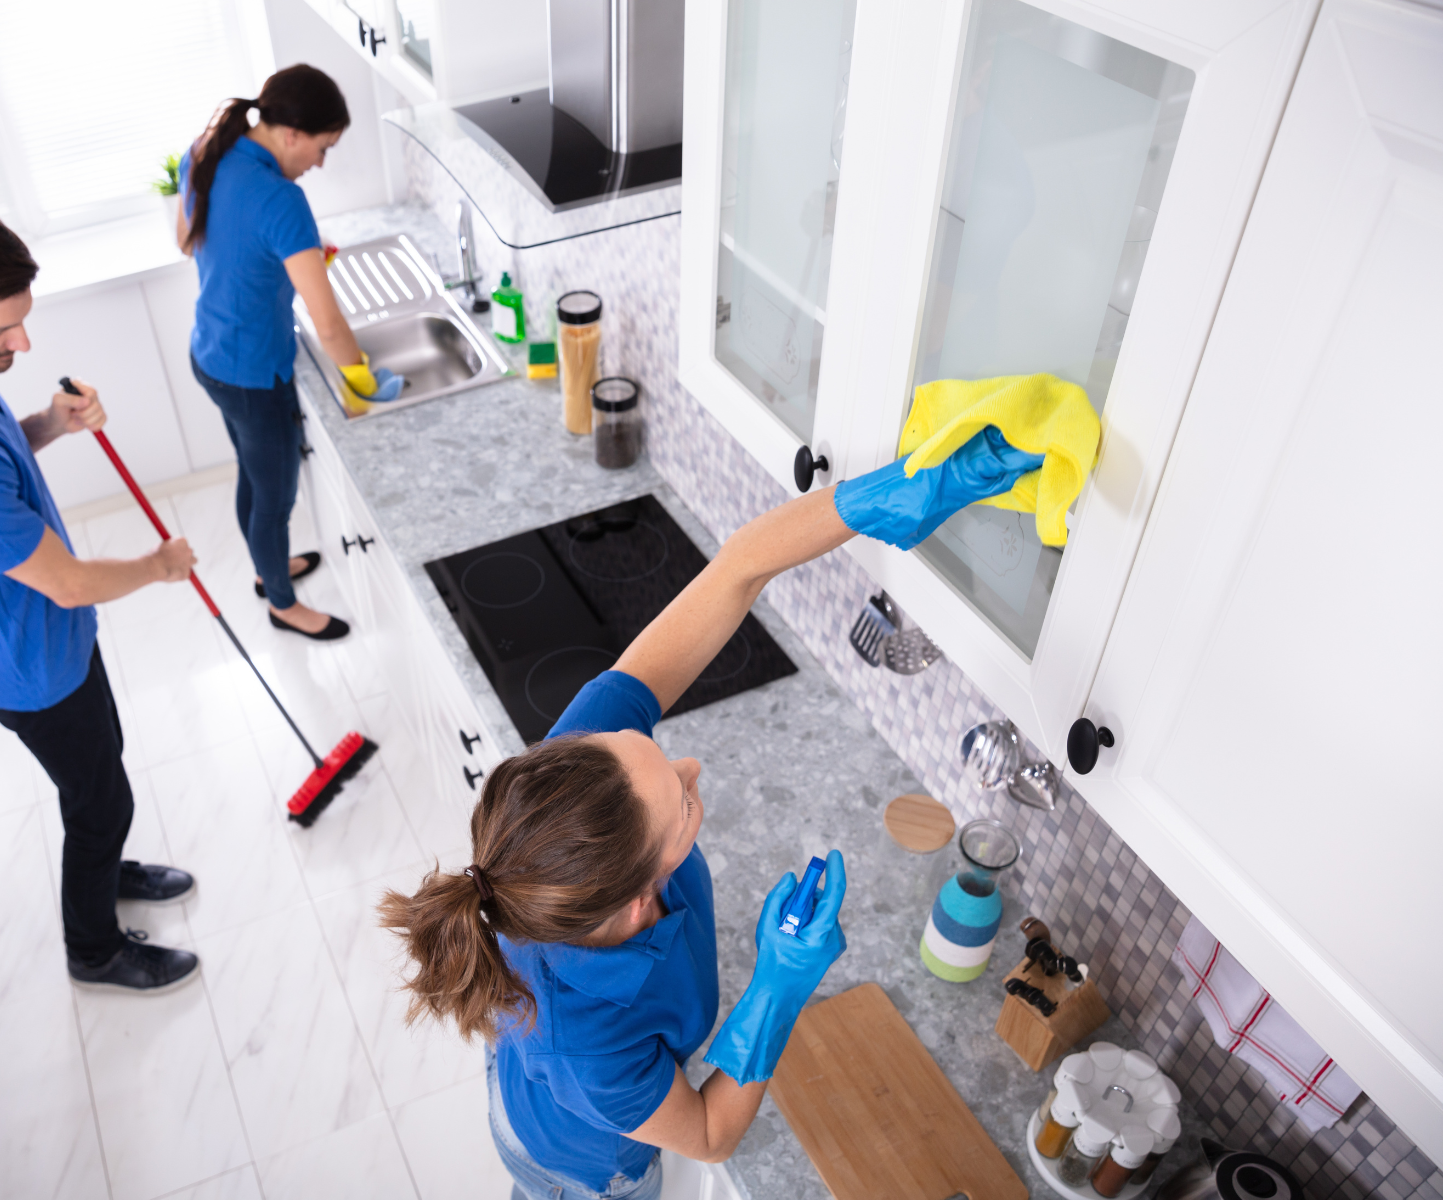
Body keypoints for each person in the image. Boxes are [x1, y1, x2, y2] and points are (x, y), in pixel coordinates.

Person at [380, 428, 1046, 1197]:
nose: (689, 766)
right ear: (638, 896)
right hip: (582, 1165)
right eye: (683, 802)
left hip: (561, 1068)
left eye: (652, 751)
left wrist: (878, 499)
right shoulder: (587, 1044)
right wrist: (779, 984)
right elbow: (707, 1132)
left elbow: (738, 569)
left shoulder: (579, 771)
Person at [0, 207, 202, 994]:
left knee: (101, 773)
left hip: (41, 637)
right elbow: (68, 581)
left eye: (22, 322)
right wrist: (159, 564)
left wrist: (49, 422)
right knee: (99, 802)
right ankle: (94, 952)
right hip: (29, 661)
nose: (21, 345)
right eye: (1, 333)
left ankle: (109, 866)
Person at [176, 64, 405, 642]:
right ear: (293, 133)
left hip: (209, 353)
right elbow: (328, 324)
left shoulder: (207, 152)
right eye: (324, 148)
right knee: (274, 497)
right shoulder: (282, 200)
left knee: (253, 479)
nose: (321, 163)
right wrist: (363, 377)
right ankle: (282, 602)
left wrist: (285, 256)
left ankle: (264, 567)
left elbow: (188, 241)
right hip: (254, 372)